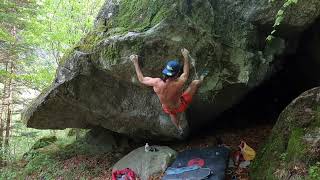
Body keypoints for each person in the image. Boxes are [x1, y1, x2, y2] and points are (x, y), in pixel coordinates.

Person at [130, 48, 208, 134]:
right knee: (195, 83)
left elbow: (142, 79)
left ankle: (178, 128)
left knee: (173, 114)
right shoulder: (179, 83)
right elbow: (186, 73)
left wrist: (135, 62)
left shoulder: (157, 83)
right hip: (181, 105)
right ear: (177, 73)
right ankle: (202, 78)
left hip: (168, 108)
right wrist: (186, 56)